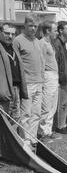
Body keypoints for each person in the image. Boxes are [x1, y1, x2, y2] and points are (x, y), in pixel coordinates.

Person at [13, 14, 44, 150]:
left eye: (35, 26)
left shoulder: (37, 41)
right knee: (25, 113)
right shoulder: (18, 40)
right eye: (30, 25)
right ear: (25, 25)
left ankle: (32, 138)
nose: (33, 28)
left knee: (36, 113)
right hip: (27, 84)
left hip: (38, 82)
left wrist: (42, 79)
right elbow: (15, 63)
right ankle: (24, 140)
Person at [0, 23, 28, 119]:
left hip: (16, 89)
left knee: (15, 119)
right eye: (7, 33)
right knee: (3, 121)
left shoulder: (14, 48)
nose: (10, 36)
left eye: (13, 34)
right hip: (4, 91)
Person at [38, 21, 60, 142]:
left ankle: (48, 131)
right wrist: (42, 80)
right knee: (46, 106)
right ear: (48, 31)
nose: (56, 32)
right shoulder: (42, 43)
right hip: (47, 76)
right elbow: (40, 62)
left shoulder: (49, 43)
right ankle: (42, 133)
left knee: (52, 106)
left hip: (53, 76)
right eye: (55, 30)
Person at [53, 21, 67, 134]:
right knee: (62, 103)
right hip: (62, 77)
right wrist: (59, 76)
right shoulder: (57, 43)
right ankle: (59, 126)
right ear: (61, 30)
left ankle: (64, 124)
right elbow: (56, 61)